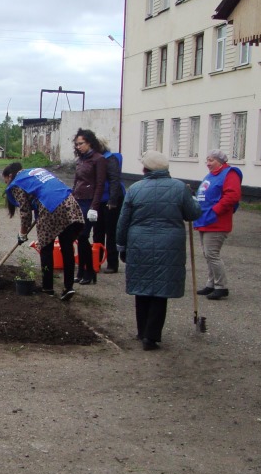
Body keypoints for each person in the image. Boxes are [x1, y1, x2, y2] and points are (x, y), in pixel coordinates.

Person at [116, 150, 200, 351]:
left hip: (139, 243)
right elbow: (193, 213)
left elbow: (123, 221)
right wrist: (192, 197)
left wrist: (121, 245)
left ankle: (142, 330)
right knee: (161, 290)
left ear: (145, 169)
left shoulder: (135, 189)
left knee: (142, 287)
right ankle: (151, 337)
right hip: (169, 245)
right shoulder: (179, 188)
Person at [3, 162, 85, 302]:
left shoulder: (17, 183)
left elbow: (25, 211)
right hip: (69, 202)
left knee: (46, 248)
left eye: (5, 181)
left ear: (10, 176)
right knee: (67, 248)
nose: (6, 184)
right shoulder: (37, 170)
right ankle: (68, 287)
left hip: (50, 206)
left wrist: (22, 233)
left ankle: (48, 289)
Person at [194, 149, 243, 300]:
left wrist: (215, 211)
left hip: (216, 221)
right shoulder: (212, 175)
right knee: (207, 254)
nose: (208, 163)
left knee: (212, 254)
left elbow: (232, 196)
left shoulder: (230, 174)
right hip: (205, 219)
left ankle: (221, 286)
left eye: (211, 160)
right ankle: (211, 284)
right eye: (207, 160)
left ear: (220, 161)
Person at [71, 129, 107, 285]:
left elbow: (100, 184)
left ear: (90, 143)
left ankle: (89, 270)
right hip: (78, 199)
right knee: (79, 237)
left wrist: (94, 206)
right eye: (77, 144)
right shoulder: (80, 160)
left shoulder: (98, 159)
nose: (78, 146)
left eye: (81, 144)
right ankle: (82, 270)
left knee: (83, 235)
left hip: (90, 201)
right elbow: (76, 181)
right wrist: (72, 197)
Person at [97, 140, 125, 273]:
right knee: (98, 231)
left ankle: (112, 264)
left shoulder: (110, 159)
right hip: (99, 200)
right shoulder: (98, 158)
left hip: (111, 201)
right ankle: (96, 261)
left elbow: (115, 181)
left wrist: (112, 201)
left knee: (111, 232)